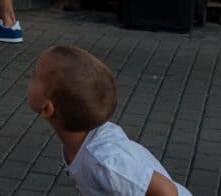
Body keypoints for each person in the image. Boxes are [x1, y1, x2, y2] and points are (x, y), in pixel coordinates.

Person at [28, 45, 192, 195]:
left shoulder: (105, 161)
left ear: (47, 109)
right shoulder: (80, 141)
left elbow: (167, 192)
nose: (30, 77)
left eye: (35, 76)